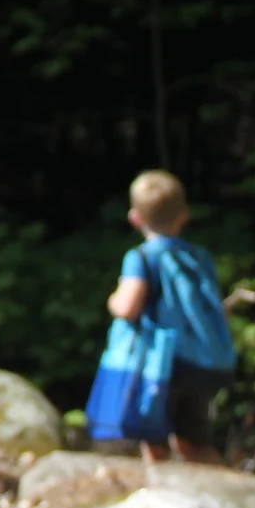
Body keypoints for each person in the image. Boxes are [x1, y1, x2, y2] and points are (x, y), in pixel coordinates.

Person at [100, 171, 237, 463]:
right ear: (184, 215)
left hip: (157, 366)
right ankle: (220, 485)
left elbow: (128, 307)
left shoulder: (141, 257)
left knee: (152, 437)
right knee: (193, 439)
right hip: (197, 362)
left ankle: (160, 492)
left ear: (135, 218)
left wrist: (113, 300)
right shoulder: (199, 257)